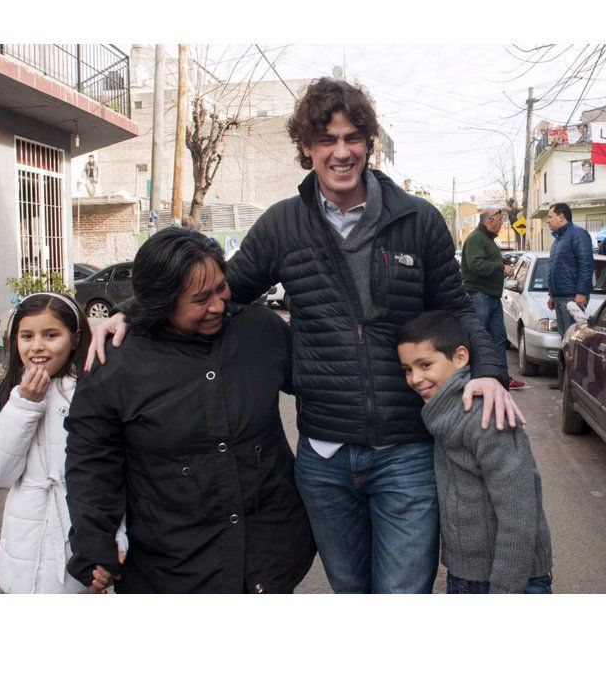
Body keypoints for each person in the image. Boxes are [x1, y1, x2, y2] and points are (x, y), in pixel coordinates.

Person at [87, 78, 523, 594]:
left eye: (353, 137)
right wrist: (132, 313)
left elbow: (457, 308)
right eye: (326, 139)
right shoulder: (283, 225)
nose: (341, 152)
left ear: (369, 142)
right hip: (324, 458)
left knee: (403, 592)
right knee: (350, 590)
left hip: (406, 449)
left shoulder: (419, 220)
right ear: (307, 147)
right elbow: (218, 288)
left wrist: (490, 371)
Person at [65, 227, 316, 593]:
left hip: (270, 556)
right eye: (200, 299)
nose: (218, 305)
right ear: (161, 301)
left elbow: (320, 386)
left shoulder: (260, 331)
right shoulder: (115, 364)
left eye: (221, 288)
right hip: (172, 569)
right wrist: (94, 544)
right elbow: (91, 461)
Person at [0, 292, 125, 593]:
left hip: (78, 544)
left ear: (75, 339)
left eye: (51, 335)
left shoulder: (90, 391)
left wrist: (113, 541)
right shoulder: (6, 393)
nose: (37, 346)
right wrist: (25, 405)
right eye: (27, 336)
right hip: (21, 549)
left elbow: (112, 475)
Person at [397, 310, 553, 593]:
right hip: (465, 576)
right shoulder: (442, 412)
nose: (415, 379)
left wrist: (505, 590)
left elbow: (519, 514)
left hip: (510, 579)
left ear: (460, 357)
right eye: (407, 369)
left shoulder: (486, 417)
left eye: (425, 365)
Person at [460, 206, 524, 391]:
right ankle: (473, 378)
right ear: (490, 220)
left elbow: (486, 262)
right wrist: (501, 267)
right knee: (478, 338)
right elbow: (475, 265)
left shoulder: (487, 239)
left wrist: (500, 265)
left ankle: (502, 378)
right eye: (500, 219)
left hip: (492, 298)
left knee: (499, 338)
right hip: (480, 296)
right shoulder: (476, 239)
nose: (502, 223)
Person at [546, 203, 593, 390]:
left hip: (572, 299)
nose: (548, 221)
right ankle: (564, 382)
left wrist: (582, 292)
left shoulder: (578, 235)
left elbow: (586, 264)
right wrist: (552, 294)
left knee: (572, 343)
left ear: (561, 216)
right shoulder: (558, 239)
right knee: (564, 342)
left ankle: (574, 385)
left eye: (550, 217)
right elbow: (554, 268)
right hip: (560, 297)